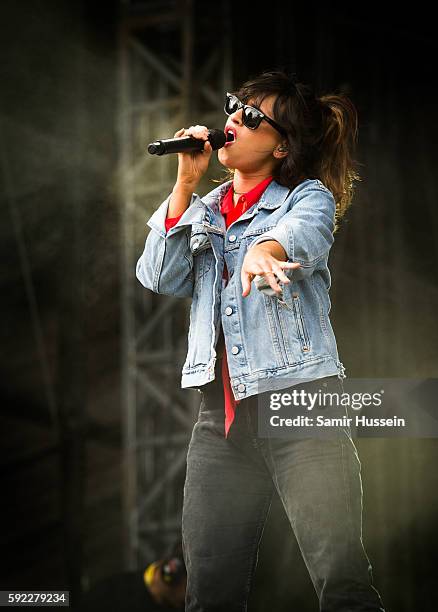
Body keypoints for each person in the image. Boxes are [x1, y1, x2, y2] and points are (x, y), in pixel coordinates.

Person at [136, 70, 386, 612]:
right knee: (207, 598)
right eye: (234, 107)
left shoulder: (308, 198)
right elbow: (157, 275)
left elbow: (301, 237)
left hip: (302, 408)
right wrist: (184, 185)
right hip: (220, 425)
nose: (233, 120)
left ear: (281, 144)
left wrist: (264, 249)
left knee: (341, 581)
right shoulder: (204, 212)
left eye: (251, 116)